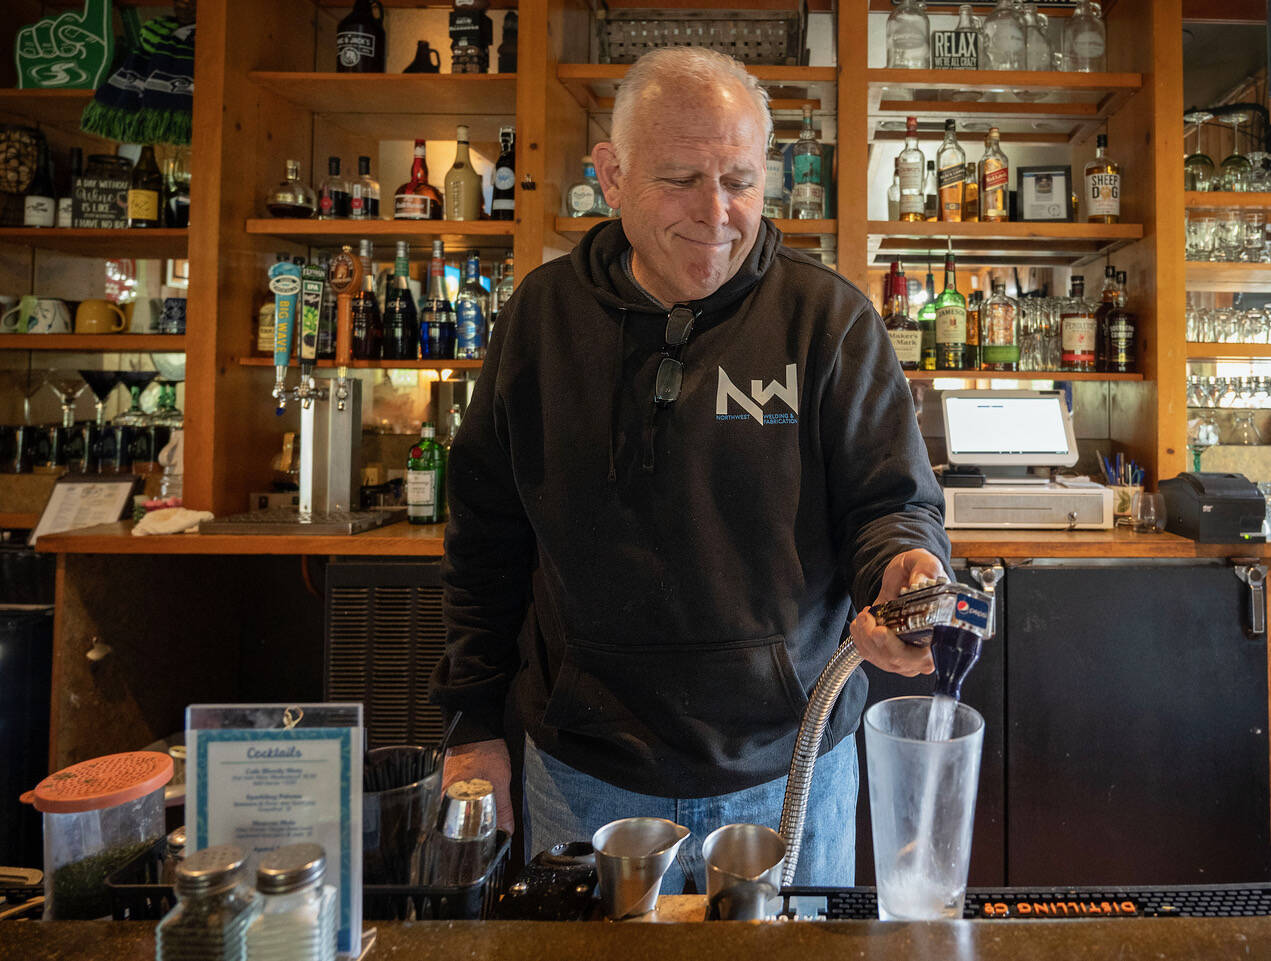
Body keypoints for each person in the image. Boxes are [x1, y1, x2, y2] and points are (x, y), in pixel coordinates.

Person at [431, 46, 950, 893]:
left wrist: (903, 568)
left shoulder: (827, 320)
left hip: (791, 766)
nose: (716, 213)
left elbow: (889, 505)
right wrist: (470, 723)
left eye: (739, 181)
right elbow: (485, 539)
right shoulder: (542, 318)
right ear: (611, 174)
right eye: (679, 179)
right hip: (580, 771)